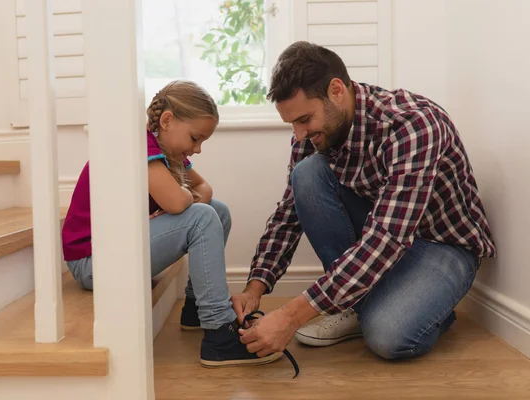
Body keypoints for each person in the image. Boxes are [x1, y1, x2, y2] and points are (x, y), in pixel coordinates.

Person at [233, 41, 496, 361]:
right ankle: (368, 303)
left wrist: (290, 317)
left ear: (336, 91)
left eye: (304, 119)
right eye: (292, 123)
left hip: (443, 244)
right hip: (384, 235)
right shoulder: (314, 134)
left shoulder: (413, 125)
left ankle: (401, 310)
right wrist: (255, 287)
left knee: (388, 337)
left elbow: (388, 238)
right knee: (308, 174)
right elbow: (290, 213)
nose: (299, 134)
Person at [61, 80, 283, 368]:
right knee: (203, 218)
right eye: (195, 138)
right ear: (167, 121)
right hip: (93, 263)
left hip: (114, 252)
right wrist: (178, 200)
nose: (198, 149)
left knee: (219, 211)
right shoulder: (139, 146)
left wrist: (179, 199)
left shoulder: (166, 152)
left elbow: (205, 189)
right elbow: (178, 203)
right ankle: (218, 333)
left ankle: (195, 308)